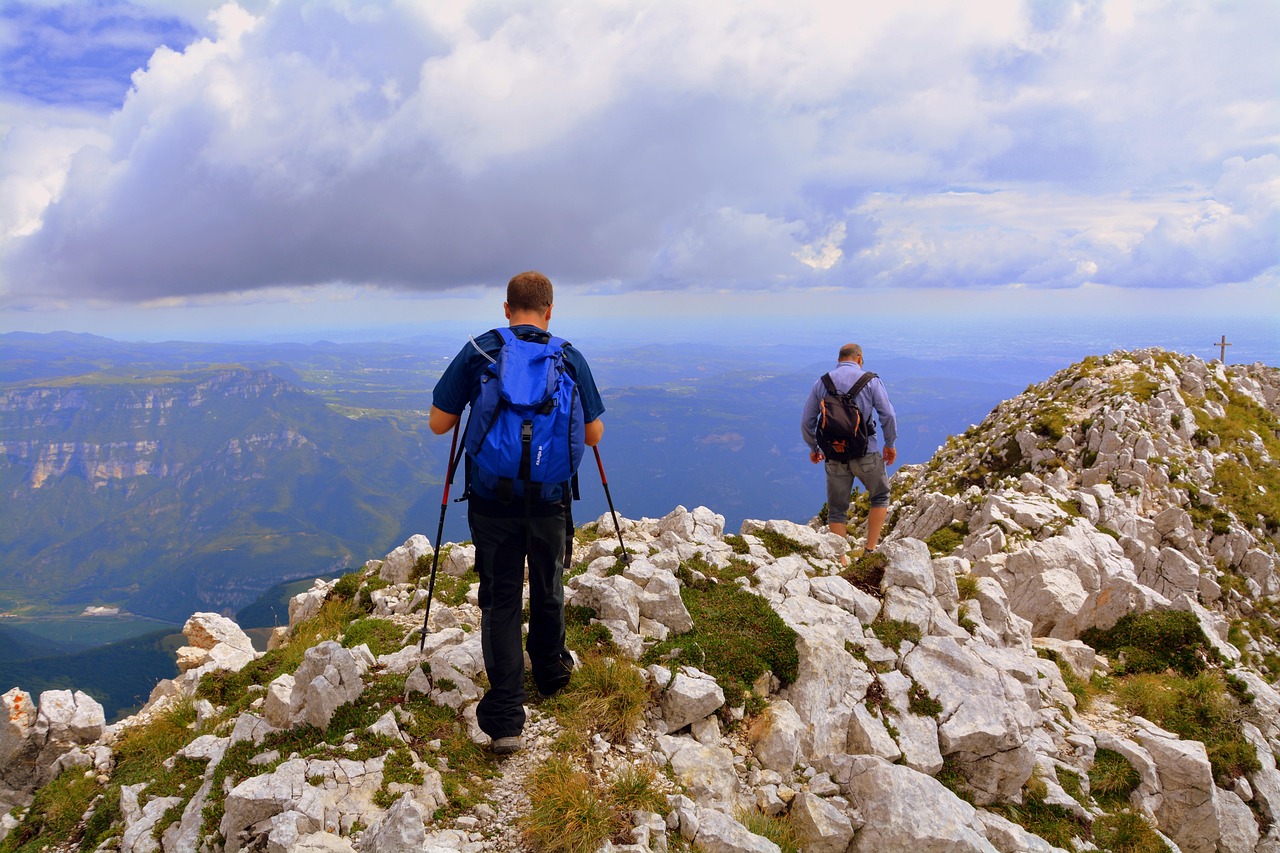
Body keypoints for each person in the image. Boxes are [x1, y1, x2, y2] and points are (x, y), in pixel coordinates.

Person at [429, 271, 605, 755]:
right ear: (550, 311)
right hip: (549, 499)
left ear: (506, 309)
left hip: (491, 502)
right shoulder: (568, 356)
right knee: (549, 584)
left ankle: (507, 717)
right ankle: (550, 673)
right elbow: (592, 436)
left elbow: (438, 424)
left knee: (501, 600)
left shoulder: (480, 350)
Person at [800, 343, 897, 558]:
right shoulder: (871, 381)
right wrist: (889, 443)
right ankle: (869, 551)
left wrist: (814, 447)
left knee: (836, 510)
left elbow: (807, 421)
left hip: (834, 455)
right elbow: (887, 415)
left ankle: (840, 560)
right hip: (866, 452)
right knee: (880, 496)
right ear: (859, 358)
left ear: (839, 359)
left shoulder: (822, 383)